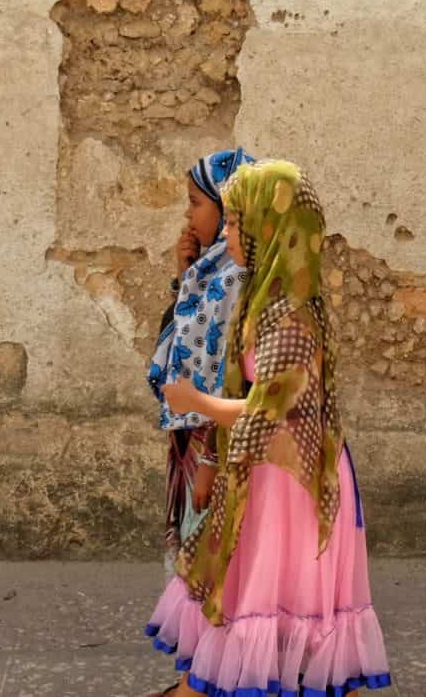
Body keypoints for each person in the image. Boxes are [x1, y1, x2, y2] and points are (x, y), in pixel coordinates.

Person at [146, 160, 393, 696]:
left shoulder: (291, 313)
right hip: (261, 475)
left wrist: (195, 402)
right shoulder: (262, 299)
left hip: (291, 485)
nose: (228, 234)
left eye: (237, 223)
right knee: (252, 604)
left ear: (268, 228)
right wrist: (212, 459)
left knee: (285, 609)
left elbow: (271, 408)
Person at [148, 149, 256, 571]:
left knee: (213, 556)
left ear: (229, 208)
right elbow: (182, 339)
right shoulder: (209, 274)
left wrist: (211, 456)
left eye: (196, 203)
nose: (189, 218)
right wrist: (184, 273)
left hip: (215, 435)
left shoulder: (237, 279)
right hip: (194, 432)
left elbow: (232, 373)